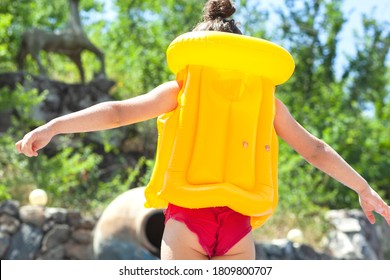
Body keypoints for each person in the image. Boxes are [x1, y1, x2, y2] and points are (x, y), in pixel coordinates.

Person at [16, 0, 390, 260]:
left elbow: (117, 113)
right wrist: (363, 187)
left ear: (198, 49)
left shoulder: (181, 89)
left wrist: (54, 126)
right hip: (238, 227)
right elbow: (315, 150)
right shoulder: (265, 102)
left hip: (187, 219)